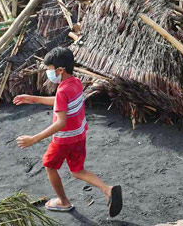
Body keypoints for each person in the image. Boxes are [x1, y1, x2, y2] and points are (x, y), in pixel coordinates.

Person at [14, 47, 122, 216]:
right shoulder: (76, 83)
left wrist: (34, 139)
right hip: (79, 135)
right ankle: (108, 190)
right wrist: (32, 98)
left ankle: (63, 202)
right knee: (77, 170)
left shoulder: (62, 90)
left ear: (59, 70)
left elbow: (60, 122)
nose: (48, 73)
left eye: (49, 70)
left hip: (63, 140)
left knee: (49, 166)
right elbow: (60, 103)